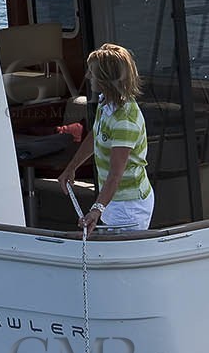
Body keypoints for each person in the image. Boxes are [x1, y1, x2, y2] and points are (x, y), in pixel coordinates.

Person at [56, 44, 153, 236]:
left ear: (106, 79)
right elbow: (96, 134)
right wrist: (71, 167)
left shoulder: (125, 121)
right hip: (114, 201)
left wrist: (95, 210)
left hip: (129, 208)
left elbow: (115, 174)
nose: (87, 76)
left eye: (92, 72)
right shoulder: (106, 103)